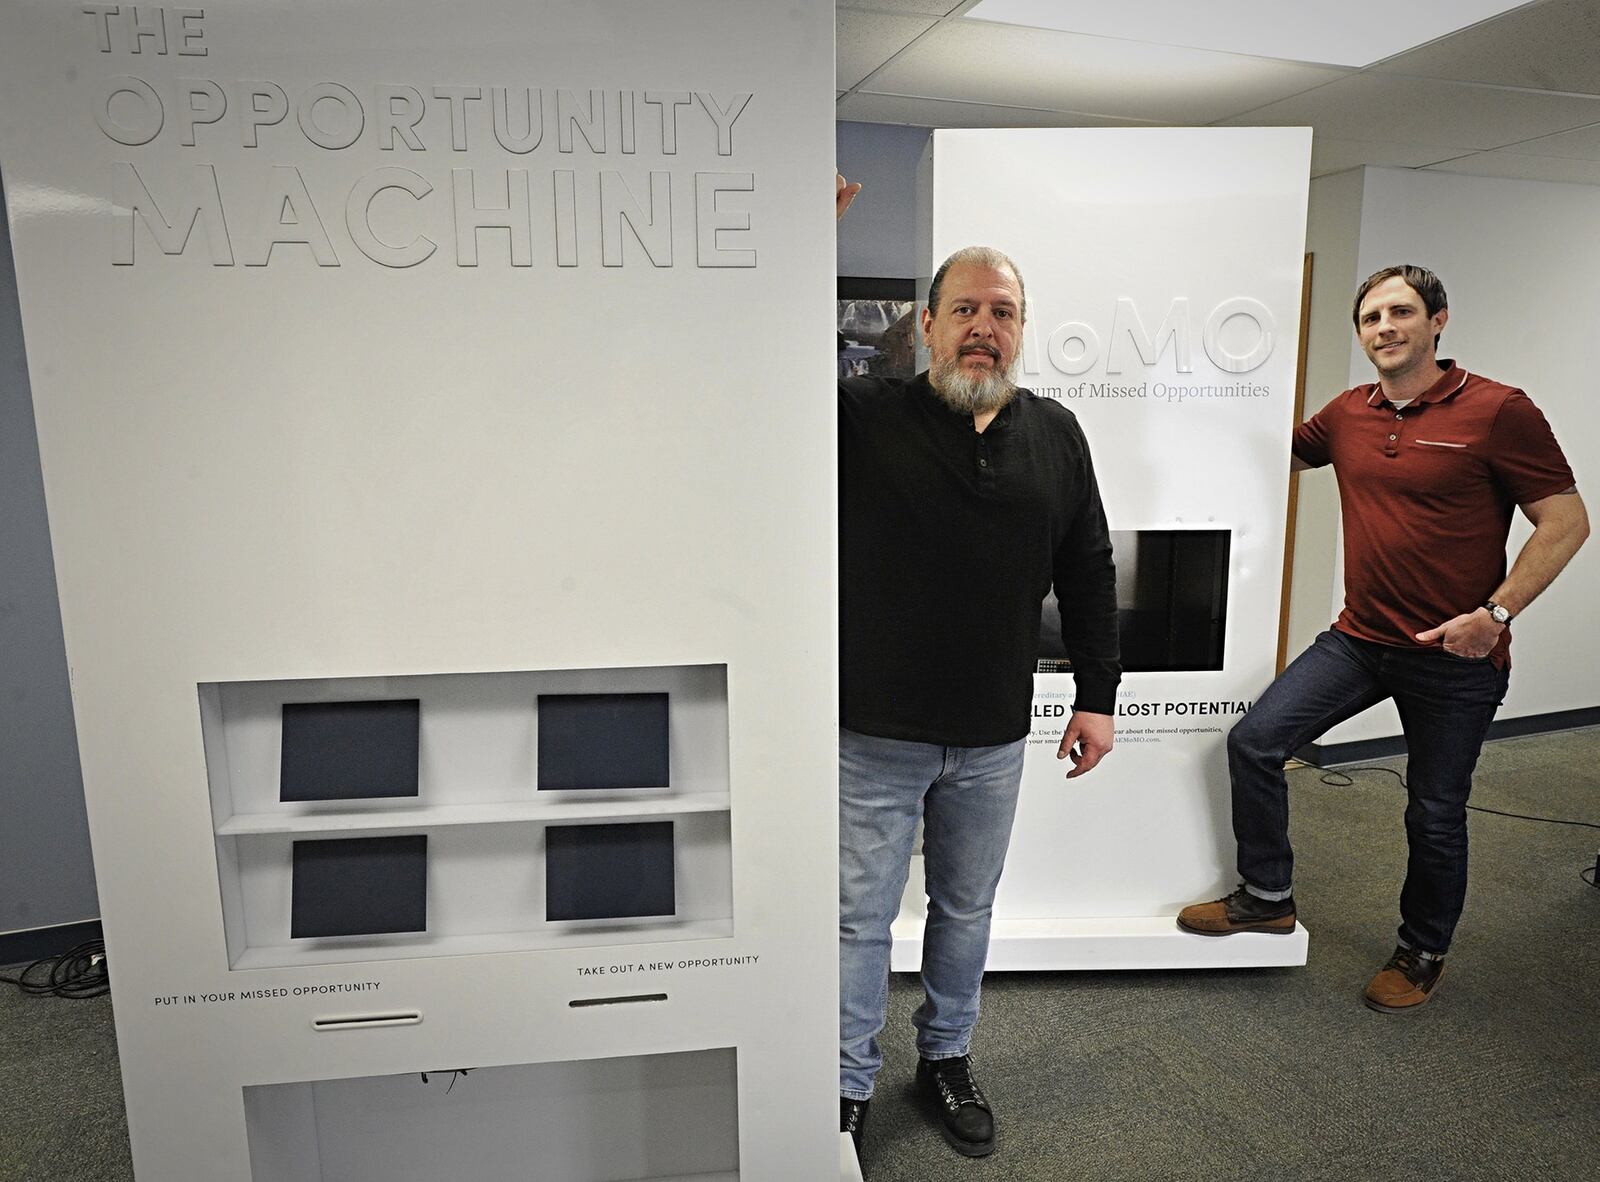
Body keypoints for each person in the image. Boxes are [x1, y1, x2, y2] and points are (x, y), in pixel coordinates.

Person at [1178, 264, 1588, 1014]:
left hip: (1455, 655)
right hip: (1360, 639)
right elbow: (1266, 455)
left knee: (1433, 810)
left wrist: (1493, 616)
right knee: (1256, 742)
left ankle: (1423, 948)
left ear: (1438, 320)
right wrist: (1176, 405)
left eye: (1400, 312)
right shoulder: (1349, 413)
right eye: (1370, 318)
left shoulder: (1499, 410)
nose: (1384, 328)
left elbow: (1566, 522)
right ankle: (1268, 894)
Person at [833, 175, 1120, 1161]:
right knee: (857, 919)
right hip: (872, 731)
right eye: (965, 309)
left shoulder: (1055, 433)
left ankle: (944, 1057)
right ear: (926, 325)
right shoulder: (864, 419)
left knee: (964, 909)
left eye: (1002, 313)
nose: (983, 328)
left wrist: (1098, 699)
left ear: (1021, 328)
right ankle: (842, 1080)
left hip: (994, 733)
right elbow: (760, 380)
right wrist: (799, 244)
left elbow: (1087, 566)